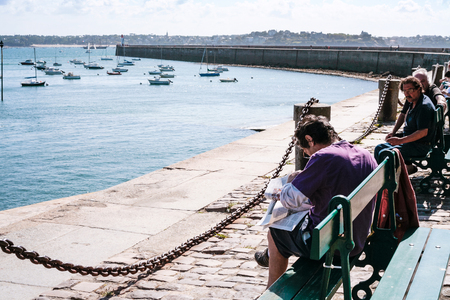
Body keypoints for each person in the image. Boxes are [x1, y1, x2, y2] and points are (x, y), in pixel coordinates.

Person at [254, 115, 378, 289]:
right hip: (356, 237)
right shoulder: (364, 154)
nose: (306, 154)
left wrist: (290, 180)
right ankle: (269, 256)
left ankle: (270, 290)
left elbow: (291, 198)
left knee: (275, 232)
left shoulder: (323, 157)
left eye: (304, 149)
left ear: (309, 140)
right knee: (301, 215)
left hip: (332, 246)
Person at [374, 76, 436, 174]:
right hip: (411, 142)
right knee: (379, 148)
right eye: (404, 91)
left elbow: (423, 132)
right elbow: (403, 115)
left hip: (420, 146)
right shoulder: (413, 100)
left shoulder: (423, 107)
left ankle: (389, 179)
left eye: (410, 90)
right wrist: (393, 133)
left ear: (418, 89)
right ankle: (385, 176)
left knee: (385, 153)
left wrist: (400, 141)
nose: (407, 94)